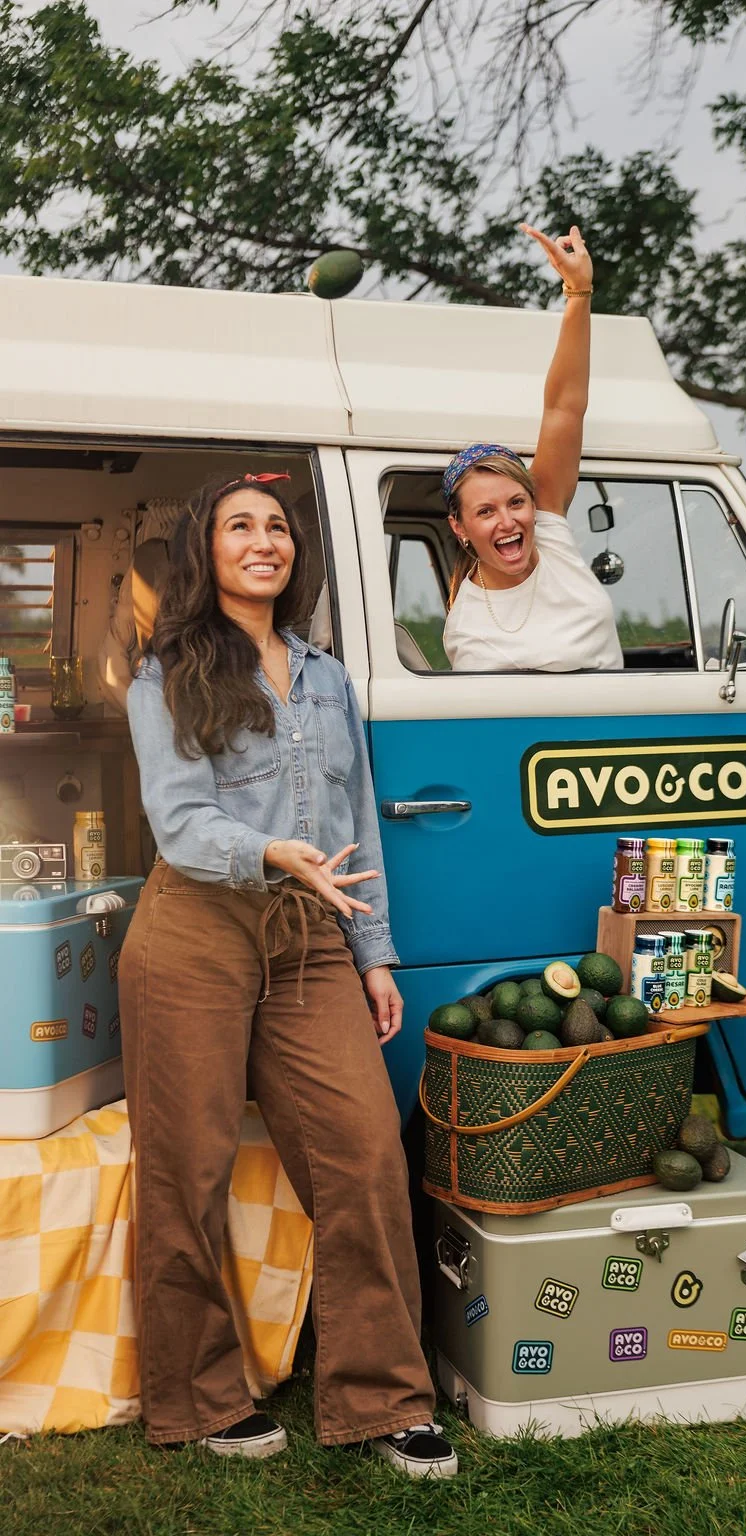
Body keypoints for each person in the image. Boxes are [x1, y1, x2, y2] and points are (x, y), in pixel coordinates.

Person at [118, 470, 457, 1477]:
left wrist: (376, 954)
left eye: (275, 527)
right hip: (196, 934)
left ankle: (385, 1396)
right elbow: (180, 823)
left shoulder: (327, 678)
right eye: (239, 527)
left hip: (312, 936)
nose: (263, 540)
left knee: (363, 1151)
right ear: (206, 552)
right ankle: (198, 1397)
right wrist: (270, 853)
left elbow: (354, 833)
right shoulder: (167, 671)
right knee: (189, 1171)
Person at [442, 223, 623, 673]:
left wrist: (578, 293)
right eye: (485, 512)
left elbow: (563, 408)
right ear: (460, 528)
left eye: (516, 502)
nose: (509, 521)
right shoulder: (467, 629)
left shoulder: (548, 528)